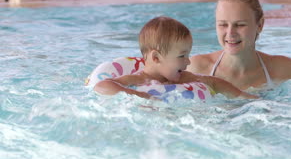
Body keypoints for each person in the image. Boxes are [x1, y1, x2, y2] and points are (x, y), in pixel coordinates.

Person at [94, 16, 258, 100]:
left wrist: (243, 96)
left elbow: (213, 82)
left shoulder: (184, 78)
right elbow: (102, 86)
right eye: (182, 56)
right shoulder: (138, 80)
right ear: (156, 58)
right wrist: (139, 96)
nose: (188, 61)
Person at [187, 0, 291, 90]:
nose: (230, 33)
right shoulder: (197, 68)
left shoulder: (280, 69)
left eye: (240, 25)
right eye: (223, 24)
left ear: (259, 25)